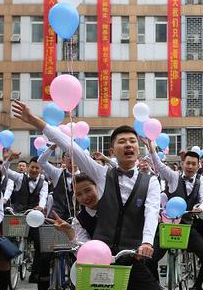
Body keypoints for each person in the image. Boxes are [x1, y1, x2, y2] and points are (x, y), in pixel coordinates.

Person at [11, 100, 161, 290]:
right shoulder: (101, 173)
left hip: (131, 256)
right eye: (122, 142)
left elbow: (151, 212)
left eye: (132, 141)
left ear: (139, 149)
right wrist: (35, 121)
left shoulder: (151, 182)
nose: (129, 145)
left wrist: (147, 241)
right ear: (112, 151)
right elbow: (71, 146)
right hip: (97, 257)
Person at [146, 141, 203, 290]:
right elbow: (159, 165)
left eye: (193, 164)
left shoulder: (201, 180)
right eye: (187, 163)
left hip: (188, 227)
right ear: (183, 164)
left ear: (198, 166)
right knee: (150, 257)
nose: (190, 166)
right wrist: (151, 149)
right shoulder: (173, 177)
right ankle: (154, 285)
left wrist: (199, 208)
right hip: (167, 226)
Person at [3, 153, 49, 288]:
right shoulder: (18, 177)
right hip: (18, 214)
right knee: (8, 240)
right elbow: (5, 170)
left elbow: (43, 196)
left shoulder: (44, 183)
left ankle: (35, 274)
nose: (34, 170)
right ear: (28, 167)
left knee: (40, 245)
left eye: (37, 168)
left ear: (41, 170)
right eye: (33, 167)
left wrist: (41, 206)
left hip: (34, 215)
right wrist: (9, 159)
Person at [46, 173, 99, 244]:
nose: (85, 197)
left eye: (88, 190)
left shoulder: (114, 206)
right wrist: (69, 231)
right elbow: (83, 248)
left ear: (97, 187)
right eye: (79, 194)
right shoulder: (79, 220)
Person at [38, 145, 78, 220]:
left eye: (74, 156)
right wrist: (51, 148)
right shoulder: (57, 173)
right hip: (57, 217)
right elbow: (41, 161)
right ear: (63, 159)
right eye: (68, 156)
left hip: (78, 218)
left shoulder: (84, 175)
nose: (71, 158)